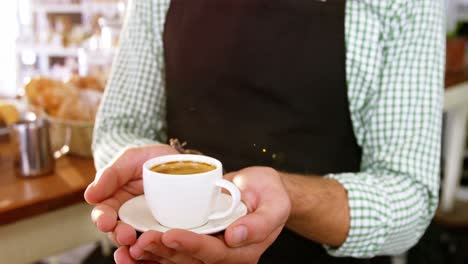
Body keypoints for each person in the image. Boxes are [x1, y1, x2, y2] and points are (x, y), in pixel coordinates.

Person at [84, 0, 445, 263]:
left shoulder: (402, 6)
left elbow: (409, 194)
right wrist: (164, 182)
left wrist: (288, 195)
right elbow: (122, 127)